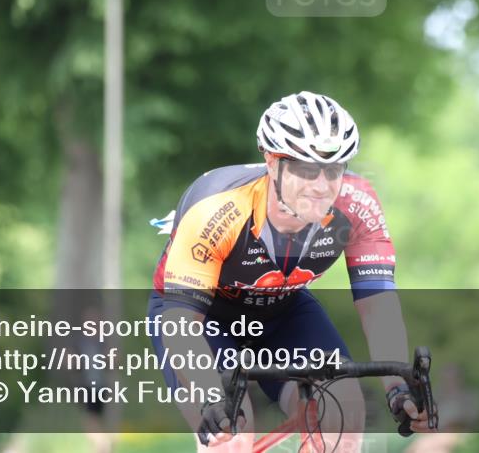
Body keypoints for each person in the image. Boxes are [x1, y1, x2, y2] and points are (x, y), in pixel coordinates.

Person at [148, 91, 435, 451]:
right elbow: (182, 323)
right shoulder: (217, 210)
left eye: (333, 170)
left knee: (343, 412)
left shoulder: (356, 206)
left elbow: (378, 305)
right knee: (232, 432)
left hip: (281, 309)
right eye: (306, 168)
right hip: (199, 318)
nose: (321, 185)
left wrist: (399, 387)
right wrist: (209, 396)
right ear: (272, 162)